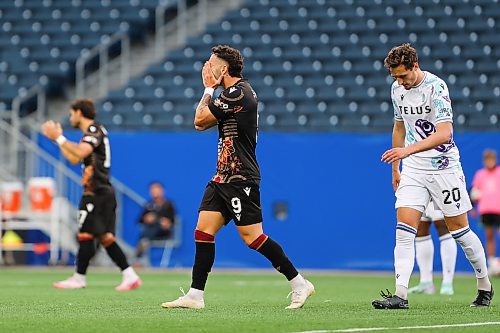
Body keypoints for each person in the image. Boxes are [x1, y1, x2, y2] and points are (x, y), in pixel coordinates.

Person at [161, 45, 314, 310]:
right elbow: (201, 123)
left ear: (224, 68)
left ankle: (299, 282)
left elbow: (199, 118)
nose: (207, 68)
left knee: (253, 237)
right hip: (222, 177)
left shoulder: (237, 92)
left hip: (241, 177)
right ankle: (195, 295)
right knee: (203, 231)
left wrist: (208, 88)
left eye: (211, 64)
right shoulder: (231, 93)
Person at [373, 43, 493, 309]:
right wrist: (396, 168)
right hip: (413, 168)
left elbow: (444, 134)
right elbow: (399, 126)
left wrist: (405, 151)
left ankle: (484, 284)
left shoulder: (436, 88)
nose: (400, 82)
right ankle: (400, 295)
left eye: (403, 75)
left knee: (460, 231)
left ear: (415, 66)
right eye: (395, 77)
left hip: (444, 167)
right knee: (404, 231)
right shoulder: (397, 90)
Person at [41, 99, 141, 291]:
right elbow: (73, 158)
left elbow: (79, 152)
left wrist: (60, 138)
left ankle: (79, 277)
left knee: (86, 234)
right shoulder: (90, 134)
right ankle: (130, 275)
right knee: (105, 238)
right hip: (101, 191)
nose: (70, 118)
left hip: (97, 191)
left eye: (71, 114)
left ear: (79, 112)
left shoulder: (94, 130)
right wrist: (57, 139)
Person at [408, 201, 457, 295]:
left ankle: (447, 283)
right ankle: (426, 282)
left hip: (438, 189)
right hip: (420, 189)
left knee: (442, 225)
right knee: (420, 227)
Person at [471, 149, 500, 273]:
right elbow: (474, 191)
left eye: (491, 159)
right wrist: (472, 206)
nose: (490, 162)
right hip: (485, 210)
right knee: (489, 236)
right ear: (484, 161)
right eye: (487, 160)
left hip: (498, 209)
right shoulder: (480, 174)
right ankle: (492, 262)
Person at [134, 182, 176, 263]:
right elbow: (139, 220)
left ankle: (138, 255)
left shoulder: (168, 204)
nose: (155, 192)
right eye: (152, 190)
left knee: (151, 230)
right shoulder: (148, 205)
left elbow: (173, 220)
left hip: (163, 232)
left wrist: (166, 222)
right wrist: (146, 218)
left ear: (162, 191)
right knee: (148, 230)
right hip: (150, 229)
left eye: (157, 190)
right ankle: (141, 249)